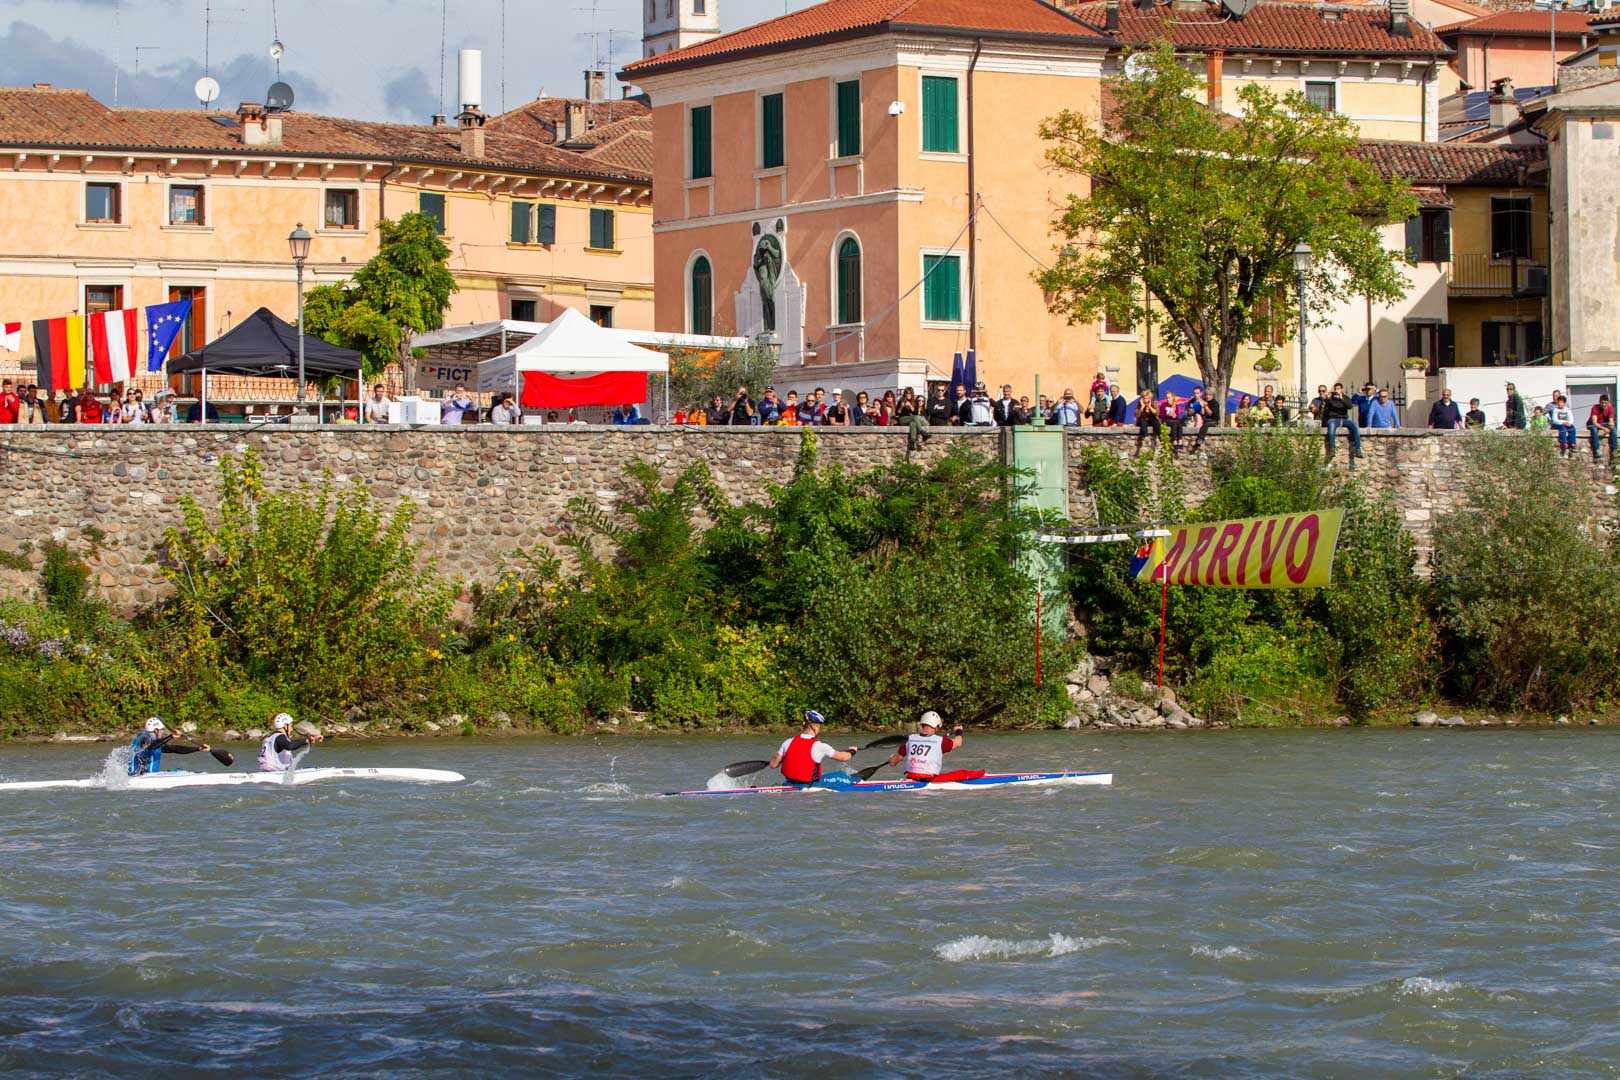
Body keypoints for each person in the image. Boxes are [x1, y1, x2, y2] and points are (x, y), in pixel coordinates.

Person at [884, 711, 983, 783]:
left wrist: (892, 759)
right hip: (931, 780)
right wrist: (958, 731)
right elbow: (958, 742)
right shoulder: (941, 741)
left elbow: (893, 762)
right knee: (963, 773)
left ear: (922, 724)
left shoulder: (908, 739)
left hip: (910, 779)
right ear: (935, 726)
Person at [767, 710, 857, 786]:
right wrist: (852, 751)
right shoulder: (820, 746)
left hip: (788, 783)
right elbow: (844, 757)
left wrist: (784, 758)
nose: (819, 729)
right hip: (809, 785)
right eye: (819, 726)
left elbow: (773, 764)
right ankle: (857, 781)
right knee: (841, 775)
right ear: (814, 726)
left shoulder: (788, 742)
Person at [127, 717, 211, 777]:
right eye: (161, 730)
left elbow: (174, 749)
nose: (163, 732)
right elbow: (151, 747)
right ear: (156, 730)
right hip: (139, 777)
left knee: (179, 771)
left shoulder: (155, 741)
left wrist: (198, 749)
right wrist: (171, 737)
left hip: (149, 776)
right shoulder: (144, 738)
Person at [258, 712, 323, 773]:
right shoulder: (280, 736)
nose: (291, 729)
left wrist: (311, 739)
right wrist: (306, 740)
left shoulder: (270, 737)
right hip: (275, 772)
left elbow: (291, 743)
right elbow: (290, 746)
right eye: (291, 726)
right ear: (285, 726)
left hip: (265, 771)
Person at [1321, 383, 1364, 459]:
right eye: (1336, 389)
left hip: (1344, 419)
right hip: (1333, 419)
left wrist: (1341, 398)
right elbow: (1325, 410)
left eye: (1338, 389)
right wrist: (1327, 399)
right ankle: (1332, 449)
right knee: (1331, 429)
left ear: (1342, 389)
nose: (1337, 390)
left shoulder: (1345, 398)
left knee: (1355, 426)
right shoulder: (1331, 398)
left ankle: (1357, 449)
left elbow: (1350, 406)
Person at [1587, 394, 1616, 463]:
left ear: (1608, 402)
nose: (1604, 405)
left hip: (1604, 423)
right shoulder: (1595, 408)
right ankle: (1596, 450)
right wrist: (1604, 429)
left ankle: (1614, 450)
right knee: (1594, 429)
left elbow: (1611, 421)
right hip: (1593, 424)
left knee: (1614, 429)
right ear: (1599, 402)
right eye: (1602, 403)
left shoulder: (1610, 408)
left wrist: (1611, 426)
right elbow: (1594, 422)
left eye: (1605, 403)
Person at [1134, 388, 1161, 454]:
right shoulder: (1139, 404)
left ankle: (1159, 437)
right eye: (1144, 398)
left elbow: (1157, 413)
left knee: (1155, 421)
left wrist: (1150, 407)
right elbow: (1137, 415)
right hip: (1142, 420)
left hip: (1151, 420)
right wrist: (1142, 407)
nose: (1145, 400)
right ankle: (1144, 437)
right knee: (1143, 421)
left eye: (1147, 398)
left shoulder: (1153, 403)